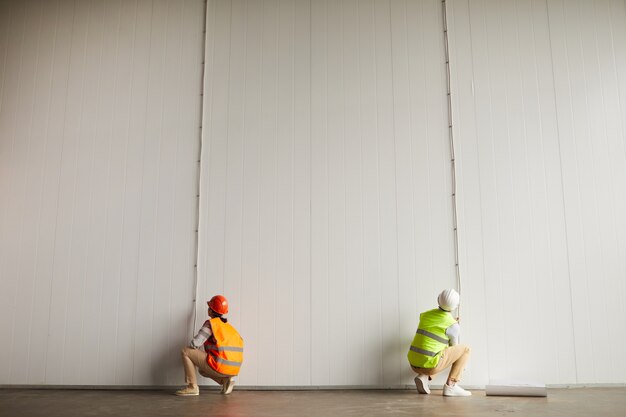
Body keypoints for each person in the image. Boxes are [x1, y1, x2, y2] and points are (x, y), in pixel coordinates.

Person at [407, 288, 472, 397]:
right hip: (430, 366)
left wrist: (452, 324)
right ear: (456, 306)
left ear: (438, 299)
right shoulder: (452, 325)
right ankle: (451, 386)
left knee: (436, 353)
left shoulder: (425, 315)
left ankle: (423, 377)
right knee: (465, 349)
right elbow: (453, 349)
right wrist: (454, 327)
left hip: (413, 362)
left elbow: (437, 325)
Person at [176, 295, 244, 396]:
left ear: (211, 311)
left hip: (220, 366)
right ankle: (225, 380)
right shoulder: (229, 327)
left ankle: (192, 387)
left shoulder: (211, 324)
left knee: (185, 351)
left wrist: (195, 343)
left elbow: (195, 343)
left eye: (209, 307)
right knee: (202, 370)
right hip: (234, 369)